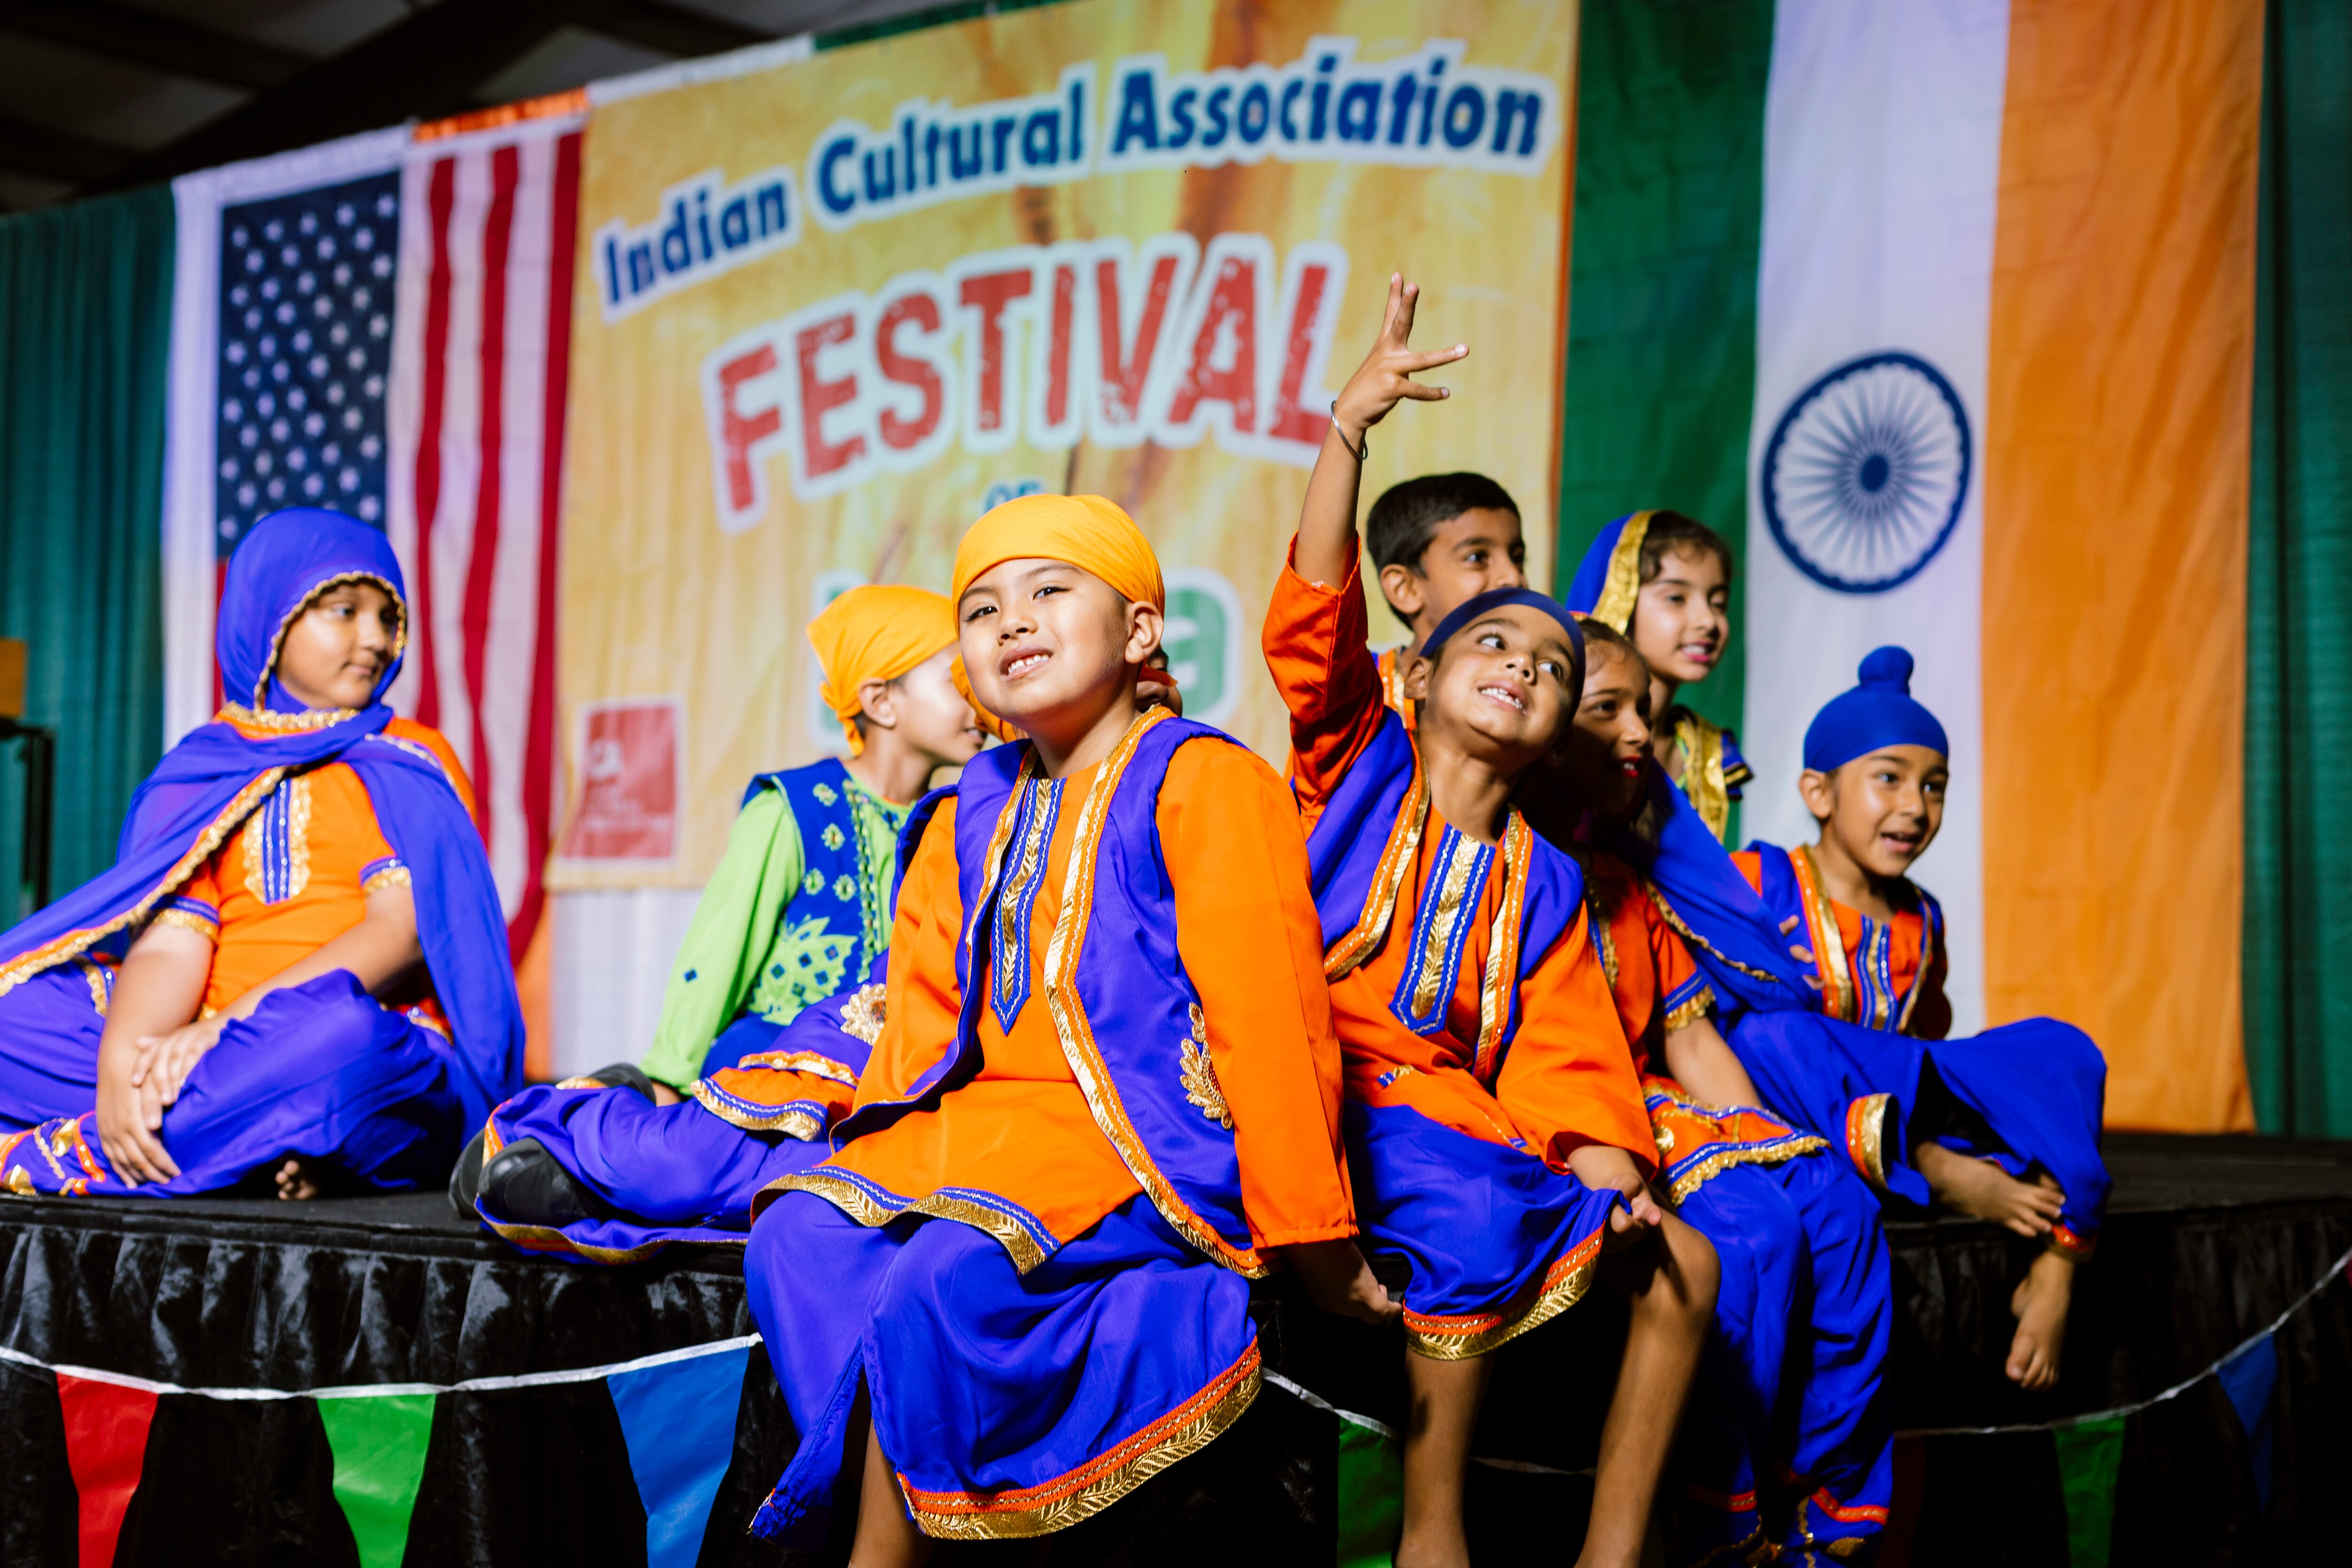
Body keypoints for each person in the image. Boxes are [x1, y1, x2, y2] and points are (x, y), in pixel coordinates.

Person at [740, 493, 1388, 1559]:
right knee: (795, 1231)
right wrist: (861, 1135)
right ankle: (907, 1474)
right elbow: (927, 1019)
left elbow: (1271, 1023)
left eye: (1049, 590)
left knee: (940, 1272)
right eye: (982, 609)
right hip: (986, 1127)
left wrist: (1316, 1247)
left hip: (1135, 1136)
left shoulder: (1206, 780)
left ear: (1139, 633)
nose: (1013, 622)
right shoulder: (972, 804)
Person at [1270, 272, 1717, 1568]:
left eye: (1553, 663)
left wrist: (1612, 1176)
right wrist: (1346, 432)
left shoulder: (1553, 880)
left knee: (1685, 1257)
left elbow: (1565, 1053)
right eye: (1496, 641)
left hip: (1455, 1109)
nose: (1528, 660)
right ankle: (1433, 1538)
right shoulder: (1352, 757)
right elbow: (1312, 621)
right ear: (1416, 674)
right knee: (1466, 1218)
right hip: (1323, 1086)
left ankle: (1614, 1548)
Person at [0, 508, 520, 1199]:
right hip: (199, 1052)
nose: (374, 638)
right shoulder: (202, 769)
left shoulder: (405, 762)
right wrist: (123, 1061)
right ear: (269, 614)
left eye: (388, 618)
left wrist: (220, 1031)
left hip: (335, 1040)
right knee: (17, 1011)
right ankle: (231, 1139)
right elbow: (170, 945)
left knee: (341, 1046)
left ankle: (95, 1148)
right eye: (344, 610)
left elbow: (398, 935)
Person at [454, 588, 984, 1260]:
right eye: (956, 678)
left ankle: (592, 1173)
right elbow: (719, 949)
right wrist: (668, 1073)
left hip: (872, 1072)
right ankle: (582, 1135)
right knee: (744, 1164)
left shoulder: (957, 819)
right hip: (771, 1052)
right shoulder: (795, 808)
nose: (978, 699)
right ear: (882, 702)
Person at [1545, 619, 1892, 1565]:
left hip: (1664, 1098)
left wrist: (1772, 1140)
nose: (1636, 735)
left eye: (1644, 715)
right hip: (1571, 1117)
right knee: (1756, 1233)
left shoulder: (1624, 879)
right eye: (1606, 710)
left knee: (1834, 1202)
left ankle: (1826, 1511)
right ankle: (1721, 1520)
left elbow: (1690, 1035)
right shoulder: (1500, 862)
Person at [1726, 647, 2108, 1390]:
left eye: (1934, 786)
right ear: (1820, 791)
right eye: (1890, 778)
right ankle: (1935, 1169)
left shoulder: (1921, 916)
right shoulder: (1759, 881)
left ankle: (2059, 1263)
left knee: (2064, 1050)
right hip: (1787, 1104)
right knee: (1773, 1035)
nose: (1915, 806)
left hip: (1898, 1094)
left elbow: (1925, 1047)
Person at [1564, 511, 1751, 841]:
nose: (1708, 620)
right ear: (1619, 599)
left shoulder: (1705, 753)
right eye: (1676, 598)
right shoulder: (1566, 735)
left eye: (1718, 603)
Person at [1362, 472, 1530, 713]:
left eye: (1517, 558)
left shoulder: (1534, 690)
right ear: (1406, 589)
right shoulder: (1356, 697)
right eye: (1477, 558)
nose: (1514, 577)